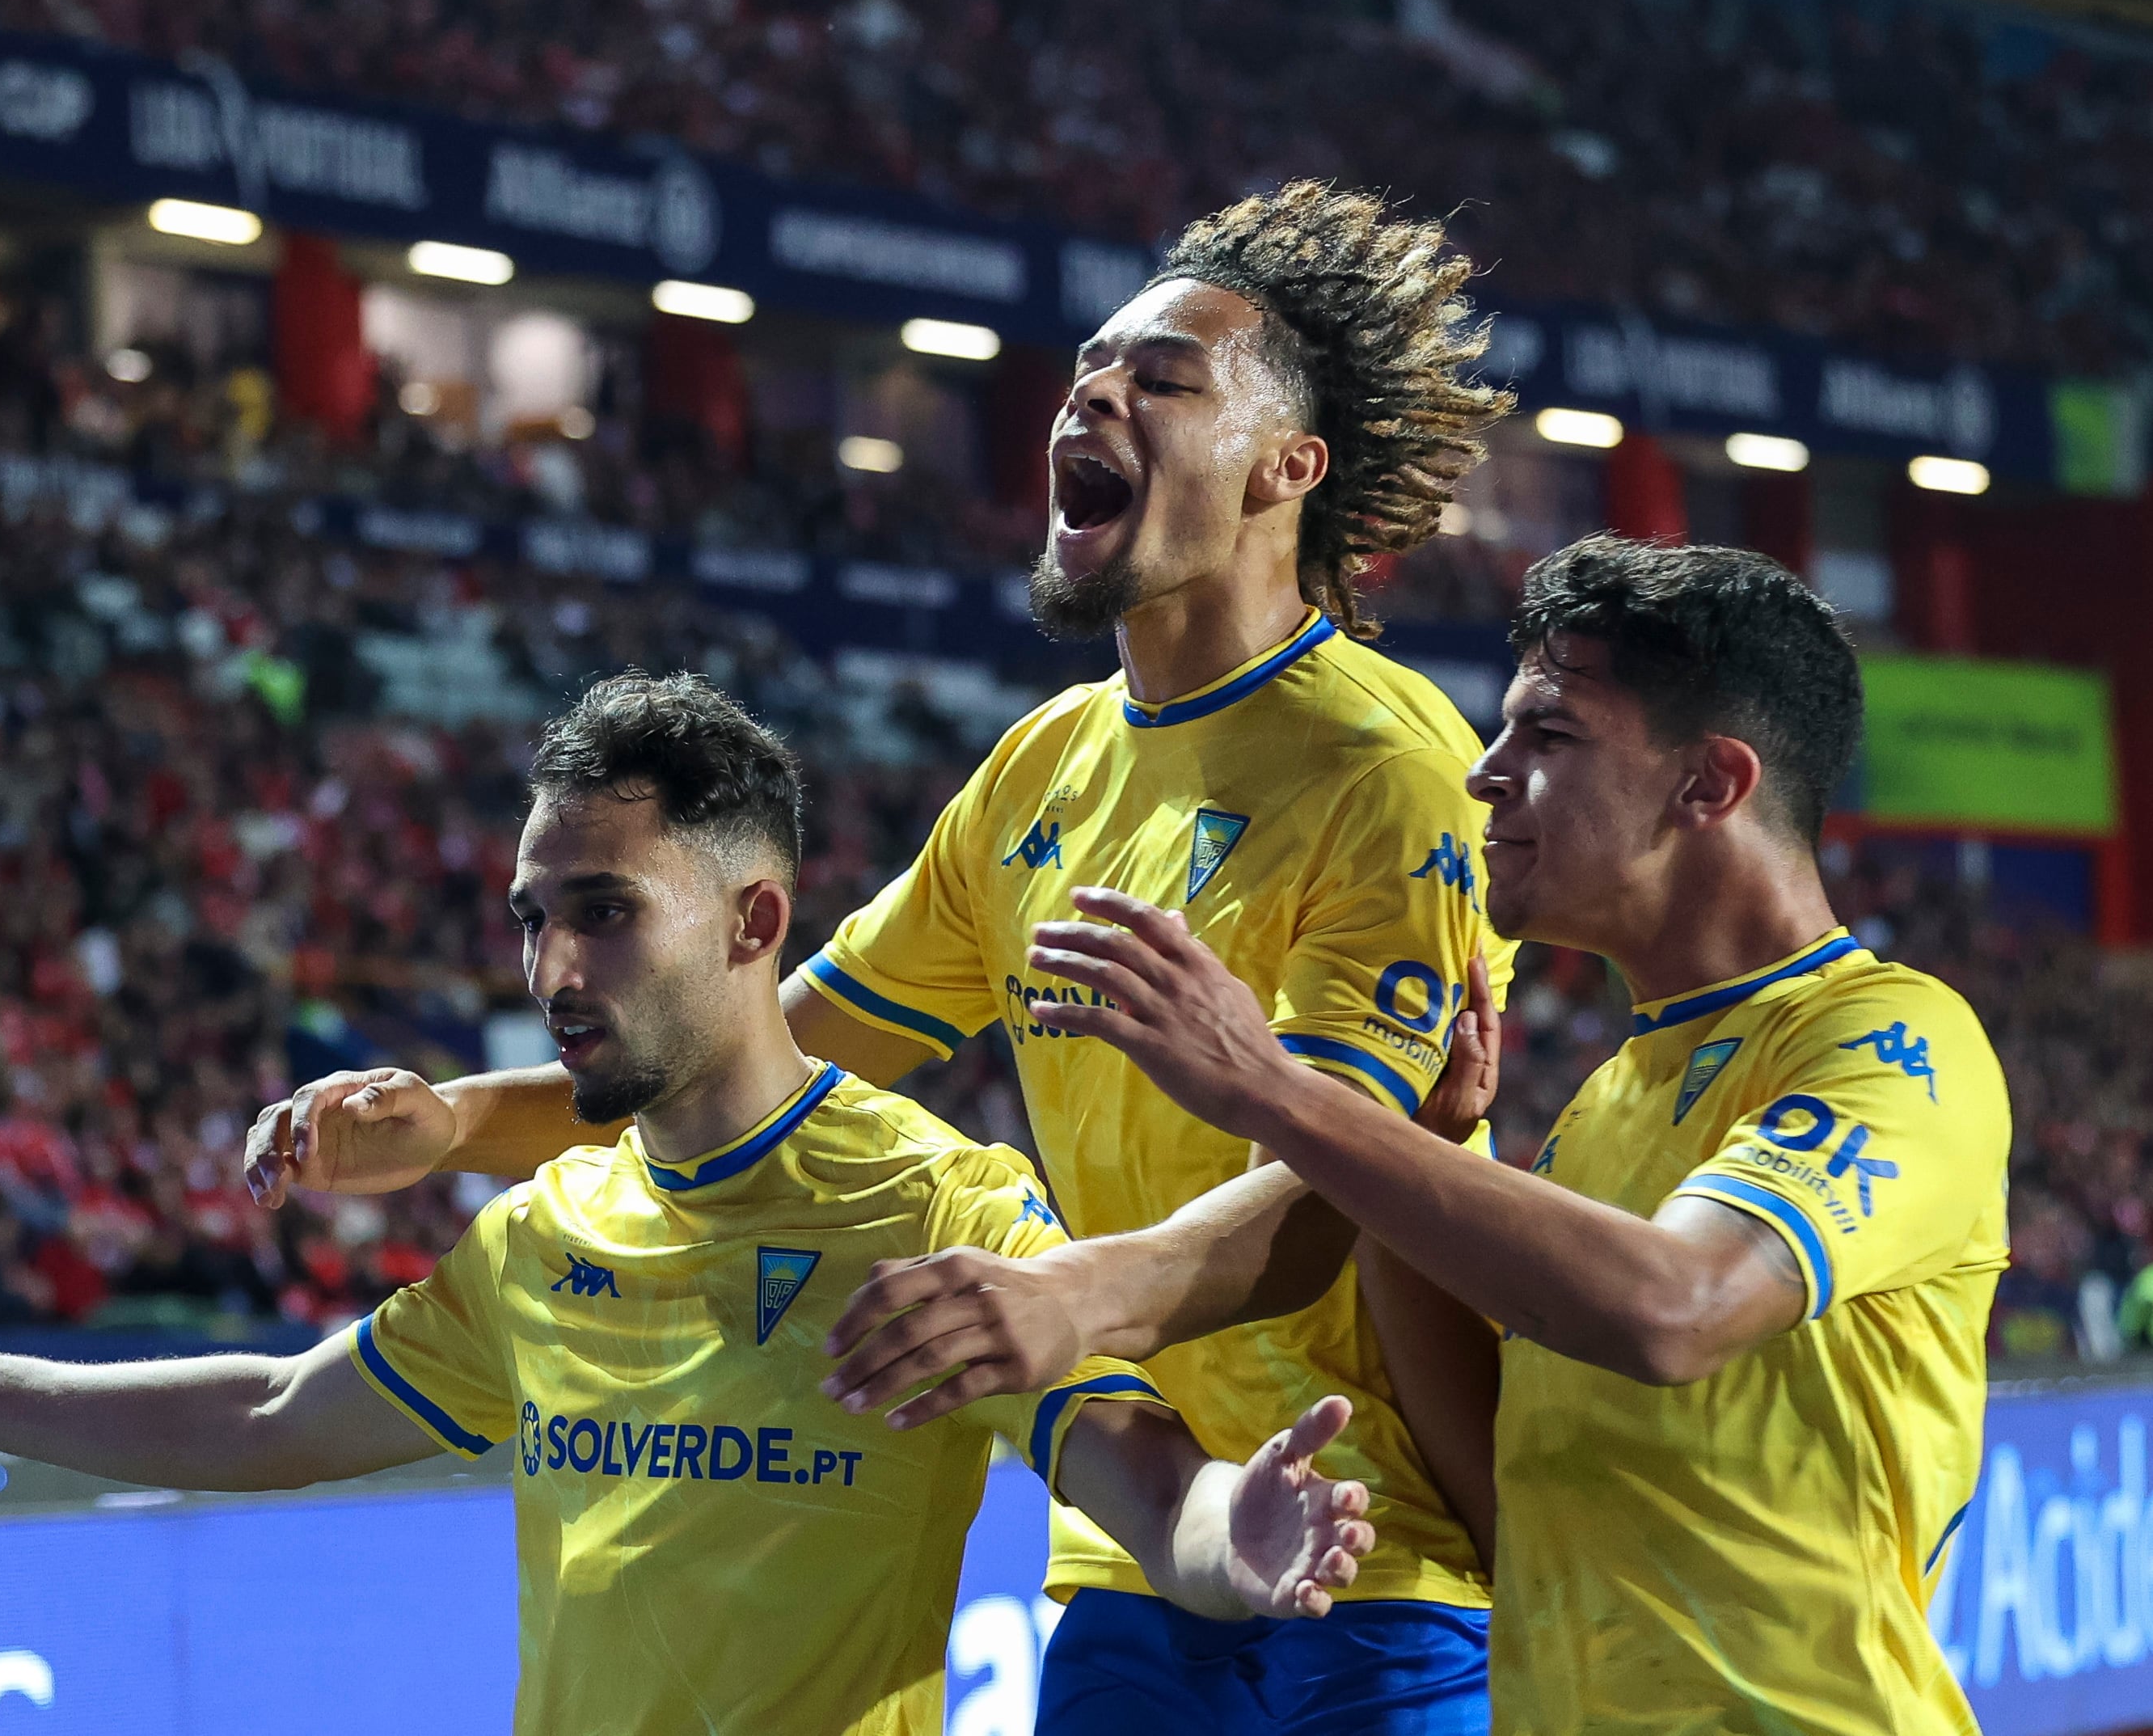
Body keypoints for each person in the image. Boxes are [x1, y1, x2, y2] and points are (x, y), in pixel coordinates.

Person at [247, 180, 1518, 1735]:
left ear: (1286, 467)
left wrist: (1071, 1298)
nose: (1096, 392)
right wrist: (454, 1122)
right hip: (1136, 1552)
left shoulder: (1385, 770)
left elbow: (1345, 1182)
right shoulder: (1040, 774)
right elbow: (754, 1055)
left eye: (1164, 379)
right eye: (1087, 373)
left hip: (1367, 1555)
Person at [0, 672, 1378, 1736]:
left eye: (600, 911)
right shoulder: (544, 1225)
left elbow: (1125, 1463)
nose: (548, 968)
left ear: (752, 920)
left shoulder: (930, 1199)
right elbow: (281, 1406)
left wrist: (1235, 1536)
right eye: (525, 916)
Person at [922, 539, 2006, 1733]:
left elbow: (1679, 1307)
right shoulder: (1604, 1104)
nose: (1485, 774)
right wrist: (1421, 1168)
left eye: (1548, 737)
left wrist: (1277, 1092)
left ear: (1709, 784)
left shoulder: (1893, 1039)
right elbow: (1501, 1508)